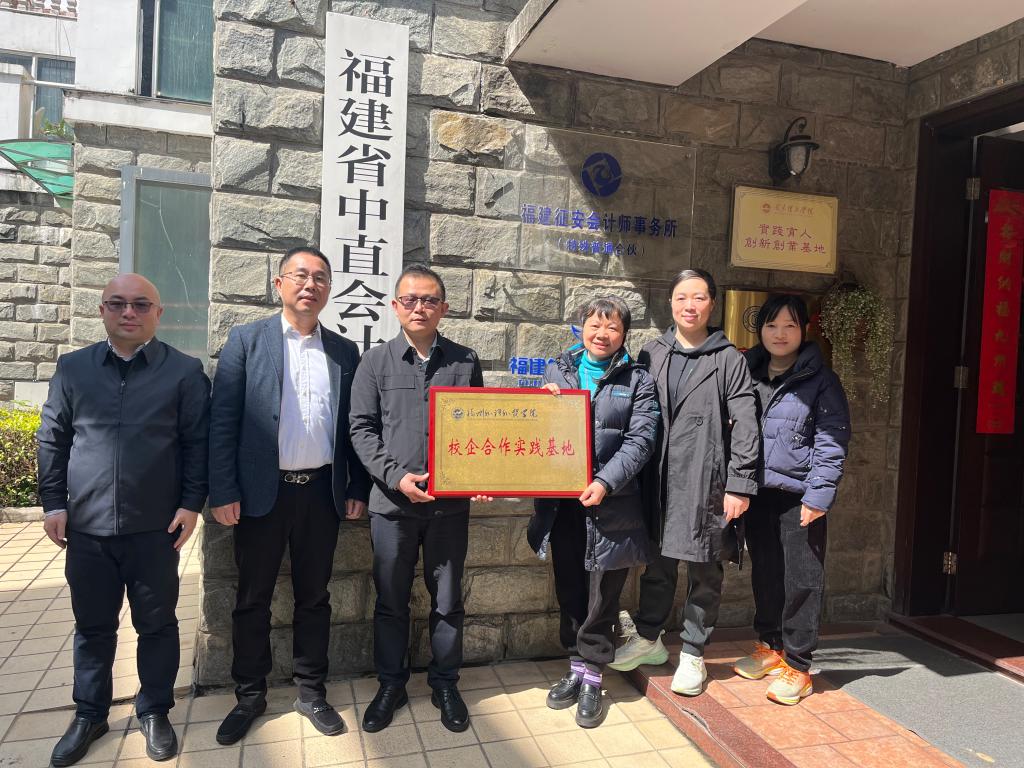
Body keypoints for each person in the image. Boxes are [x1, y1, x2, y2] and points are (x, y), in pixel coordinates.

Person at [36, 274, 209, 766]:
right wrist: (53, 503)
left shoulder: (184, 372)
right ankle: (90, 714)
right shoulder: (74, 369)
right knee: (93, 627)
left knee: (157, 625)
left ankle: (154, 710)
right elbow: (53, 437)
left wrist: (191, 503)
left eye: (140, 304)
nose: (128, 312)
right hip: (87, 528)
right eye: (117, 304)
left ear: (159, 313)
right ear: (102, 311)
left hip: (155, 529)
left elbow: (197, 443)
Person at [208, 246, 369, 744]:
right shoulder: (247, 340)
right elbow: (223, 421)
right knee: (252, 598)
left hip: (321, 493)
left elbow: (353, 428)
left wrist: (356, 486)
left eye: (320, 278)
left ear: (329, 290)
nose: (310, 285)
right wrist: (223, 490)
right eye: (300, 275)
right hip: (261, 494)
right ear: (279, 284)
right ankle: (249, 695)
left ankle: (311, 691)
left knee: (314, 597)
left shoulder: (344, 351)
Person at [349, 263, 489, 734]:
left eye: (429, 300)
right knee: (391, 601)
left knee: (447, 600)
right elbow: (361, 429)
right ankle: (391, 684)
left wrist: (479, 475)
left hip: (449, 508)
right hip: (393, 506)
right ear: (395, 306)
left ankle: (445, 683)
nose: (419, 308)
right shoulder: (375, 361)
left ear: (443, 308)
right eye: (410, 300)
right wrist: (396, 477)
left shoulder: (465, 361)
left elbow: (480, 424)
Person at [610, 268, 759, 697]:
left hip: (705, 478)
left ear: (712, 304)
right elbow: (620, 397)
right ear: (671, 303)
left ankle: (694, 652)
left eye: (698, 297)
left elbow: (746, 422)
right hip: (657, 479)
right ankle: (650, 639)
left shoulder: (728, 358)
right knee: (656, 564)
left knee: (704, 567)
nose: (689, 306)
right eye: (681, 297)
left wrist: (740, 483)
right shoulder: (652, 352)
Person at [528, 296, 659, 728]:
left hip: (612, 505)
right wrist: (539, 406)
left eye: (612, 327)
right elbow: (535, 431)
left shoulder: (638, 379)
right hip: (563, 506)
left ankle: (593, 676)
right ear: (580, 328)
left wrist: (605, 481)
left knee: (603, 595)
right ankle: (576, 667)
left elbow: (641, 440)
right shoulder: (557, 370)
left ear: (624, 335)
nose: (602, 334)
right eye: (594, 325)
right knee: (570, 589)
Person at [732, 294, 850, 705]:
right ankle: (771, 646)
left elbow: (832, 441)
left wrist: (819, 495)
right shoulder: (747, 373)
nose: (779, 334)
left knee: (802, 579)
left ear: (804, 330)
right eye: (771, 325)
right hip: (758, 492)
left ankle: (799, 666)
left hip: (800, 496)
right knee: (766, 572)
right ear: (760, 329)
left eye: (790, 326)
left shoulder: (822, 380)